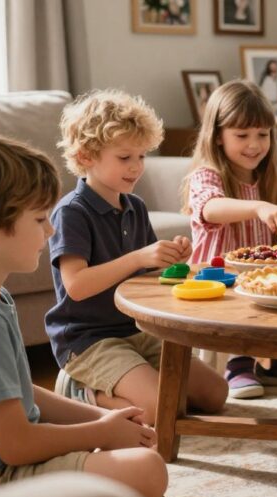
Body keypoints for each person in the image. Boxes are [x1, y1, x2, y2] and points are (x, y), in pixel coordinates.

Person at [0, 129, 221, 497]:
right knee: (146, 470)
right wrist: (98, 432)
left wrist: (99, 420)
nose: (50, 232)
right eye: (39, 220)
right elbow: (17, 445)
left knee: (134, 457)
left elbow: (21, 393)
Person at [48, 89, 228, 423]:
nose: (136, 167)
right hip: (89, 340)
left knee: (216, 394)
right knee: (163, 408)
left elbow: (150, 278)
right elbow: (76, 286)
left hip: (137, 330)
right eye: (124, 157)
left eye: (142, 156)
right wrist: (138, 258)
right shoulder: (71, 212)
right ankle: (80, 391)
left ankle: (133, 384)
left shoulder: (135, 207)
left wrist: (174, 260)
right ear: (86, 156)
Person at [180, 79, 277, 398]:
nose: (254, 144)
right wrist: (258, 207)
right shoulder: (206, 176)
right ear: (218, 136)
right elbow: (210, 208)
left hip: (259, 283)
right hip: (216, 284)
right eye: (242, 135)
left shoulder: (275, 187)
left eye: (262, 134)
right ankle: (237, 362)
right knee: (240, 297)